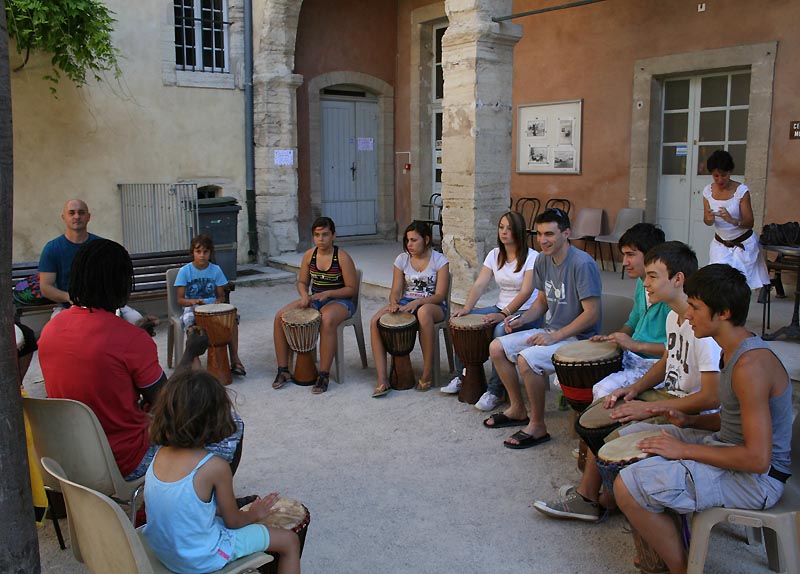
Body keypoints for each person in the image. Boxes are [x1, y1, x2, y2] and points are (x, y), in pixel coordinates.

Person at [614, 263, 792, 574]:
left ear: (722, 313)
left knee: (627, 485)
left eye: (695, 307)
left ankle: (683, 567)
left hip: (757, 480)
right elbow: (734, 420)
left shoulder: (750, 366)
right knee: (631, 435)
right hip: (728, 448)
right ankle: (666, 542)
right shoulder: (731, 350)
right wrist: (691, 422)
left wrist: (682, 450)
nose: (687, 315)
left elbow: (757, 459)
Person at [534, 241, 722, 522]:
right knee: (607, 409)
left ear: (678, 279)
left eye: (653, 276)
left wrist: (649, 409)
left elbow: (711, 397)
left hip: (690, 414)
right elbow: (666, 362)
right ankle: (599, 496)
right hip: (669, 399)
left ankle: (600, 498)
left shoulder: (702, 329)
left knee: (614, 428)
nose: (645, 283)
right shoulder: (674, 317)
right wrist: (634, 389)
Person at [38, 239, 244, 481]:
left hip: (71, 462)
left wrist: (133, 339)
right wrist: (190, 353)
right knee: (232, 424)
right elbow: (168, 405)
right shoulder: (129, 340)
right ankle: (209, 505)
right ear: (120, 284)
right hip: (126, 462)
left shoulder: (50, 330)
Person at [142, 370, 301, 574]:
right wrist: (254, 513)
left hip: (164, 553)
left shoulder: (159, 455)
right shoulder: (214, 467)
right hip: (200, 558)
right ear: (216, 417)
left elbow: (181, 507)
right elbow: (233, 522)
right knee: (289, 541)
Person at [485, 208, 602, 448]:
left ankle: (537, 426)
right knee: (496, 347)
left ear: (566, 233)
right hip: (553, 331)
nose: (543, 240)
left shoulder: (582, 264)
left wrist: (555, 336)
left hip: (579, 338)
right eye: (538, 234)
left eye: (549, 233)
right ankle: (518, 409)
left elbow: (592, 314)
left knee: (527, 360)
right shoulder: (542, 259)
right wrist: (523, 319)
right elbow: (542, 301)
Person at [441, 211, 540, 411]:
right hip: (500, 307)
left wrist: (503, 315)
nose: (504, 232)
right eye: (501, 227)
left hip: (527, 313)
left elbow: (526, 291)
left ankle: (496, 390)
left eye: (509, 228)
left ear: (519, 231)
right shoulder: (494, 255)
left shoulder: (533, 257)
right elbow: (479, 284)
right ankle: (463, 376)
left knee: (499, 331)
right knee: (461, 324)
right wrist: (467, 309)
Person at [583, 222, 670, 400]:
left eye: (630, 255)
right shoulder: (641, 282)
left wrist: (636, 345)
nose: (624, 262)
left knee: (602, 391)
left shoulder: (671, 295)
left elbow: (677, 350)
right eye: (623, 255)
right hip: (633, 356)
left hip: (656, 365)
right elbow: (633, 320)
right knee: (583, 370)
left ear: (651, 255)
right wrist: (614, 338)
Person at [272, 217, 358, 394]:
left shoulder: (342, 257)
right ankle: (283, 370)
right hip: (316, 299)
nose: (321, 239)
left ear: (333, 235)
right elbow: (302, 282)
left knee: (326, 319)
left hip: (341, 301)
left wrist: (328, 293)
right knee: (280, 316)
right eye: (317, 235)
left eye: (325, 235)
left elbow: (351, 289)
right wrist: (304, 295)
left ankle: (324, 374)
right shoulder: (309, 255)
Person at [371, 220, 449, 396]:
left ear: (426, 239)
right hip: (407, 302)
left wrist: (419, 302)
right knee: (375, 320)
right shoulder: (402, 259)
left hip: (433, 306)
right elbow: (396, 290)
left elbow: (440, 295)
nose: (409, 244)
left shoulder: (440, 260)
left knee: (423, 313)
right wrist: (394, 303)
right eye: (408, 240)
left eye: (414, 240)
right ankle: (382, 379)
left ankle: (427, 372)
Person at [38, 199, 145, 324]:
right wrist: (71, 298)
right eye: (71, 213)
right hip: (67, 306)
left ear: (88, 217)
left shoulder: (101, 246)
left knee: (138, 321)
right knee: (54, 329)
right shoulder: (52, 249)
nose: (77, 216)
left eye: (81, 212)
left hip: (105, 305)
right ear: (64, 217)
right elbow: (45, 287)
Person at [176, 233, 245, 376]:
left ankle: (235, 358)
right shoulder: (185, 271)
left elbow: (220, 296)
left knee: (231, 318)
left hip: (211, 306)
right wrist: (193, 301)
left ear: (210, 253)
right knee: (189, 320)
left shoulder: (215, 270)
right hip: (192, 306)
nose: (202, 255)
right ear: (192, 253)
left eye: (205, 252)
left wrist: (217, 302)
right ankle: (195, 361)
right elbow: (180, 300)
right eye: (198, 251)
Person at [702, 149, 769, 291]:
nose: (720, 180)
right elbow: (707, 221)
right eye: (716, 176)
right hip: (720, 244)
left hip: (742, 245)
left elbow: (749, 222)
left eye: (724, 175)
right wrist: (709, 218)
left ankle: (738, 312)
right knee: (718, 282)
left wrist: (732, 220)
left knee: (740, 286)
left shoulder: (741, 191)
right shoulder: (708, 191)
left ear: (730, 171)